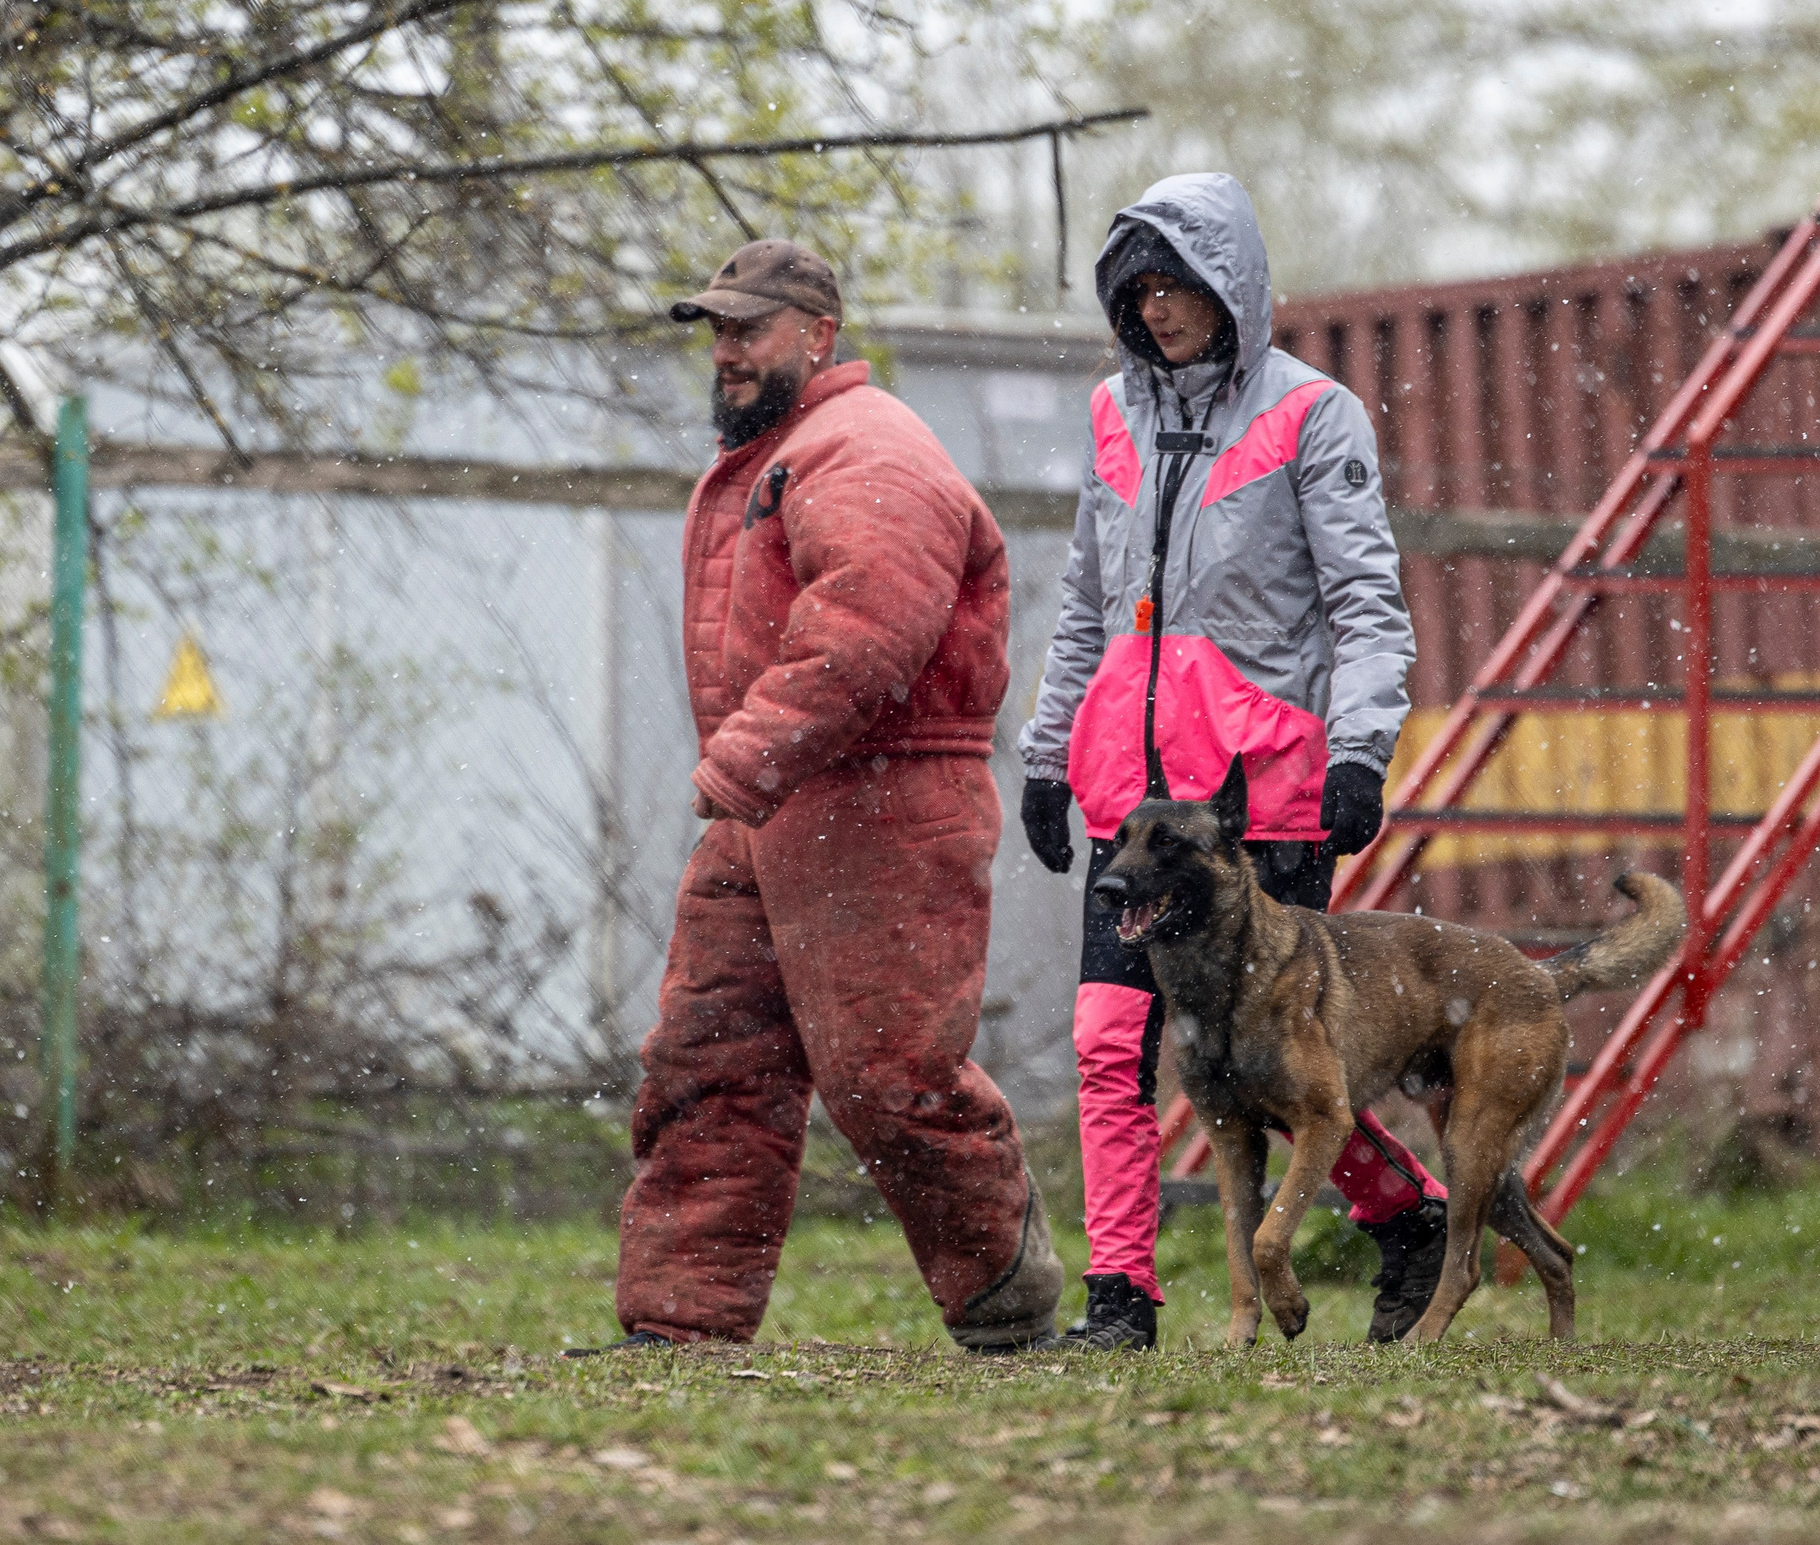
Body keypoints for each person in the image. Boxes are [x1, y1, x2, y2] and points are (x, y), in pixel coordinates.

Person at [568, 239, 1064, 1355]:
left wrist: (745, 757)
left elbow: (869, 627)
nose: (727, 352)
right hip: (778, 798)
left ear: (819, 336)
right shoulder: (784, 452)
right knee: (708, 1064)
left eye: (749, 329)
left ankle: (1004, 1302)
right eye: (717, 331)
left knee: (892, 1080)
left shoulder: (867, 449)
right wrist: (755, 775)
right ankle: (679, 1324)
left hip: (880, 801)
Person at [1017, 173, 1449, 1352]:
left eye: (1181, 286)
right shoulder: (1114, 415)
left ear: (1234, 289)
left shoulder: (1315, 417)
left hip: (1258, 811)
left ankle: (1404, 1216)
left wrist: (1360, 750)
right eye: (1140, 288)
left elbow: (1367, 603)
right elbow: (1088, 605)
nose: (1158, 310)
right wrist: (1048, 757)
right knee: (1112, 1043)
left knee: (1270, 1067)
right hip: (1133, 813)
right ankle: (1121, 1299)